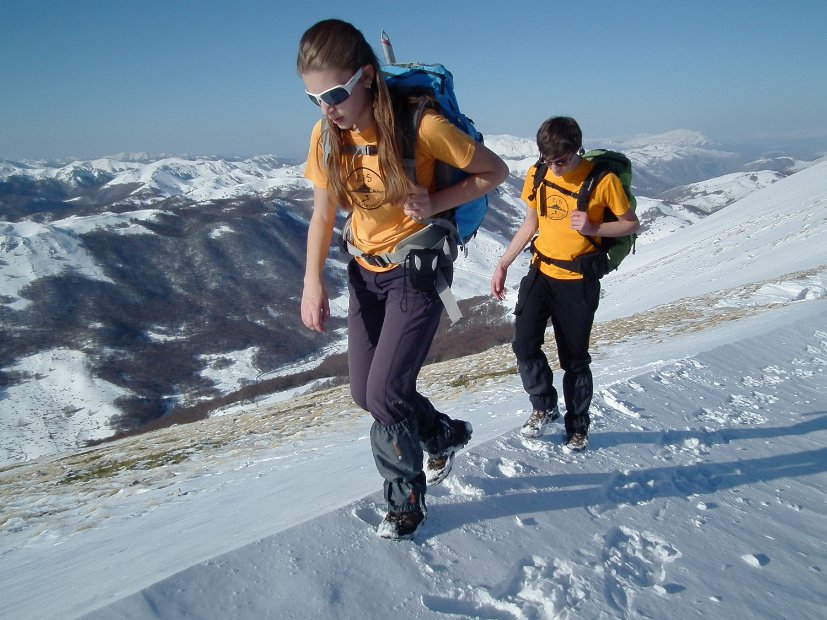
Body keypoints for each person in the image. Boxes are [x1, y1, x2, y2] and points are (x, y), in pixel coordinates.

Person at [297, 19, 509, 540]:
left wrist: (435, 201)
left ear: (367, 77)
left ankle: (405, 506)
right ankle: (441, 433)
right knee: (365, 394)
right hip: (365, 272)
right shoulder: (328, 134)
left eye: (335, 93)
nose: (327, 107)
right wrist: (311, 282)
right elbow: (324, 213)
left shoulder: (421, 127)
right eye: (313, 98)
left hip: (417, 270)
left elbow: (494, 171)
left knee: (387, 394)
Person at [491, 116, 639, 452]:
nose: (555, 168)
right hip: (541, 271)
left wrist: (594, 229)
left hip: (578, 281)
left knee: (574, 359)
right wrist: (503, 263)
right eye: (548, 160)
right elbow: (532, 221)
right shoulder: (538, 172)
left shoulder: (602, 180)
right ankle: (543, 406)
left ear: (576, 150)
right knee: (525, 345)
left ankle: (577, 426)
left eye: (562, 161)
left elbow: (631, 225)